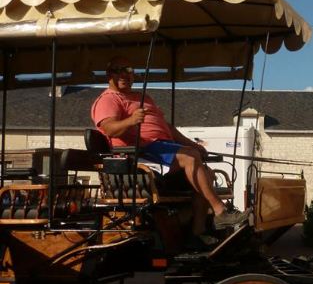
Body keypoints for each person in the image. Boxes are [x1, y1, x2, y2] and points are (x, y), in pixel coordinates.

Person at [91, 56, 244, 239]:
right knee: (189, 158)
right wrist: (132, 120)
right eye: (118, 71)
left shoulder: (143, 97)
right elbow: (109, 129)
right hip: (140, 154)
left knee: (207, 174)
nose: (125, 75)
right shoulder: (108, 99)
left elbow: (168, 128)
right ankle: (221, 212)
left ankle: (198, 232)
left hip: (163, 148)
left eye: (129, 70)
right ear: (109, 75)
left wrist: (192, 144)